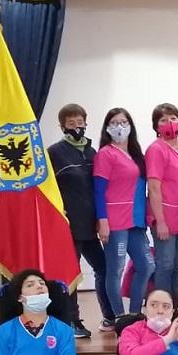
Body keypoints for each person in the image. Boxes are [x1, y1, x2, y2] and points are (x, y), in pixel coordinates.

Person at [47, 103, 117, 337]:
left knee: (104, 268)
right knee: (71, 274)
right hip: (68, 225)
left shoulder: (93, 152)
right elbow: (48, 189)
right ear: (62, 126)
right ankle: (72, 321)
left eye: (80, 122)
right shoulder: (54, 152)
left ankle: (110, 316)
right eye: (71, 123)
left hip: (91, 224)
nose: (77, 127)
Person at [94, 108, 155, 317]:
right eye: (114, 122)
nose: (119, 127)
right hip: (115, 221)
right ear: (107, 127)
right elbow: (99, 190)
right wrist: (102, 220)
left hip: (136, 220)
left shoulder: (137, 154)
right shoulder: (105, 154)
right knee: (116, 270)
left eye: (123, 122)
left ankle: (135, 314)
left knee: (147, 265)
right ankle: (119, 317)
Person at [147, 102, 178, 309]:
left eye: (173, 118)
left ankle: (175, 310)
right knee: (164, 266)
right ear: (157, 126)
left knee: (176, 267)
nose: (169, 122)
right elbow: (154, 188)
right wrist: (161, 222)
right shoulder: (156, 150)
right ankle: (160, 310)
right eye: (163, 119)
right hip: (164, 216)